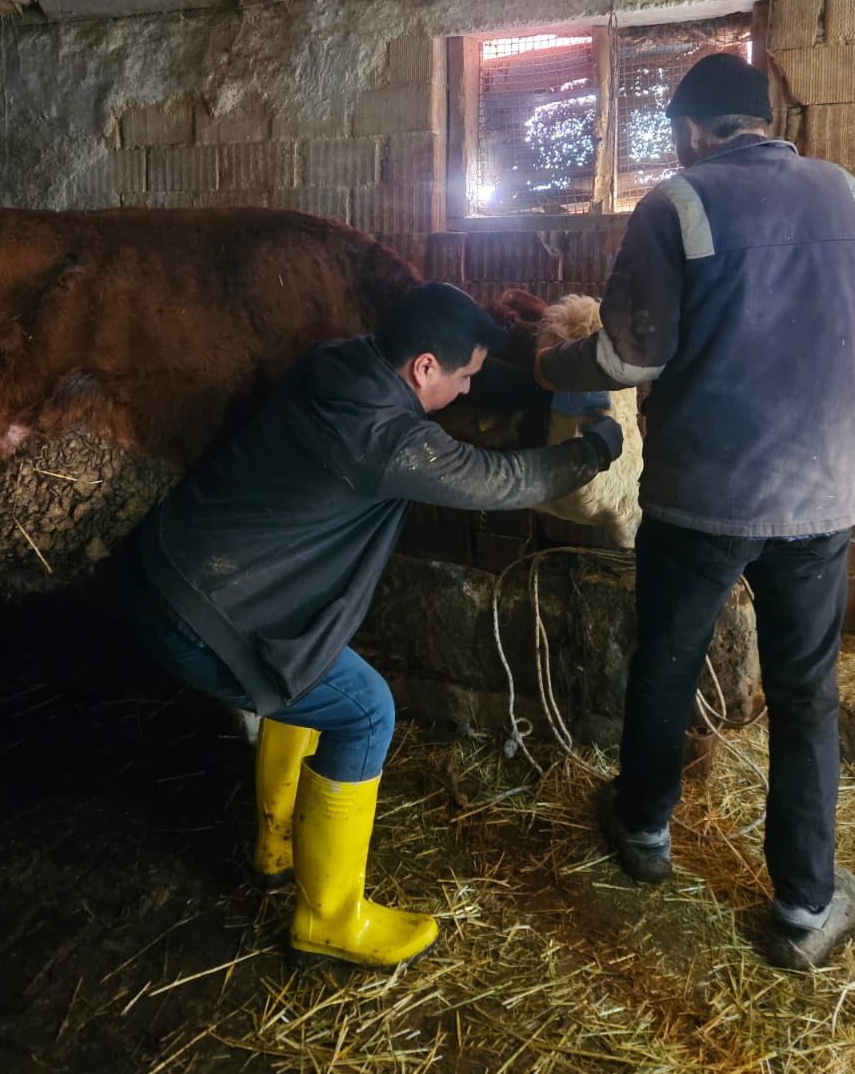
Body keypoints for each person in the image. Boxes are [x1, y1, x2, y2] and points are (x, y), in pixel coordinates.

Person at [128, 282, 624, 971]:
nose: (469, 388)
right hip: (207, 614)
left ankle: (277, 841)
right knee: (366, 711)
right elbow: (497, 481)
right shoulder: (384, 438)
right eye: (465, 376)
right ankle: (328, 921)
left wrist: (542, 390)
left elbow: (471, 390)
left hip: (175, 568)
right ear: (424, 368)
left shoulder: (340, 361)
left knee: (307, 664)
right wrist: (591, 451)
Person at [535, 52, 855, 971]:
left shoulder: (676, 204)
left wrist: (551, 364)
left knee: (668, 664)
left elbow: (628, 358)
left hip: (706, 498)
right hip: (819, 497)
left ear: (689, 128)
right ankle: (807, 903)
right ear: (763, 117)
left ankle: (644, 830)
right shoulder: (849, 196)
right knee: (807, 695)